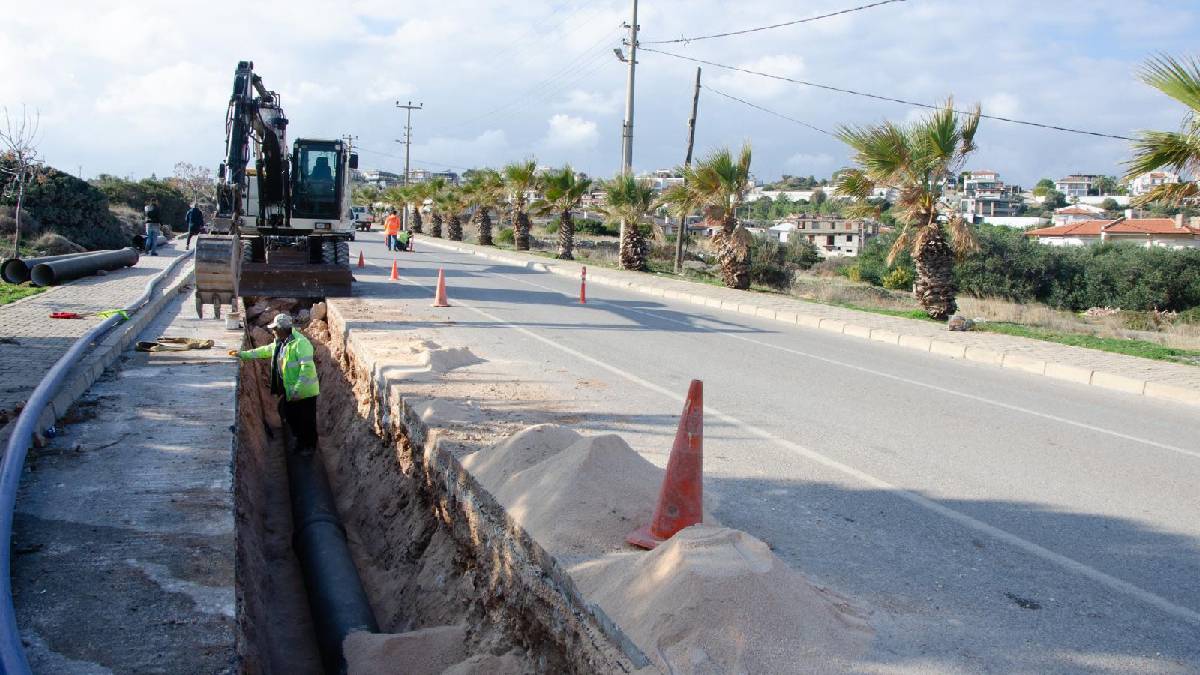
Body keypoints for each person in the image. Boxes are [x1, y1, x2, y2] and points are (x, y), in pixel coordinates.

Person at [228, 313, 321, 453]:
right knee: (290, 415)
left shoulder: (301, 344)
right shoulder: (281, 342)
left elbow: (307, 369)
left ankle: (309, 447)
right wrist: (243, 354)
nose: (273, 331)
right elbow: (265, 351)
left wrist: (298, 389)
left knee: (306, 421)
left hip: (305, 391)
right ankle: (299, 441)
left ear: (284, 329)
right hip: (291, 390)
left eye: (275, 329)